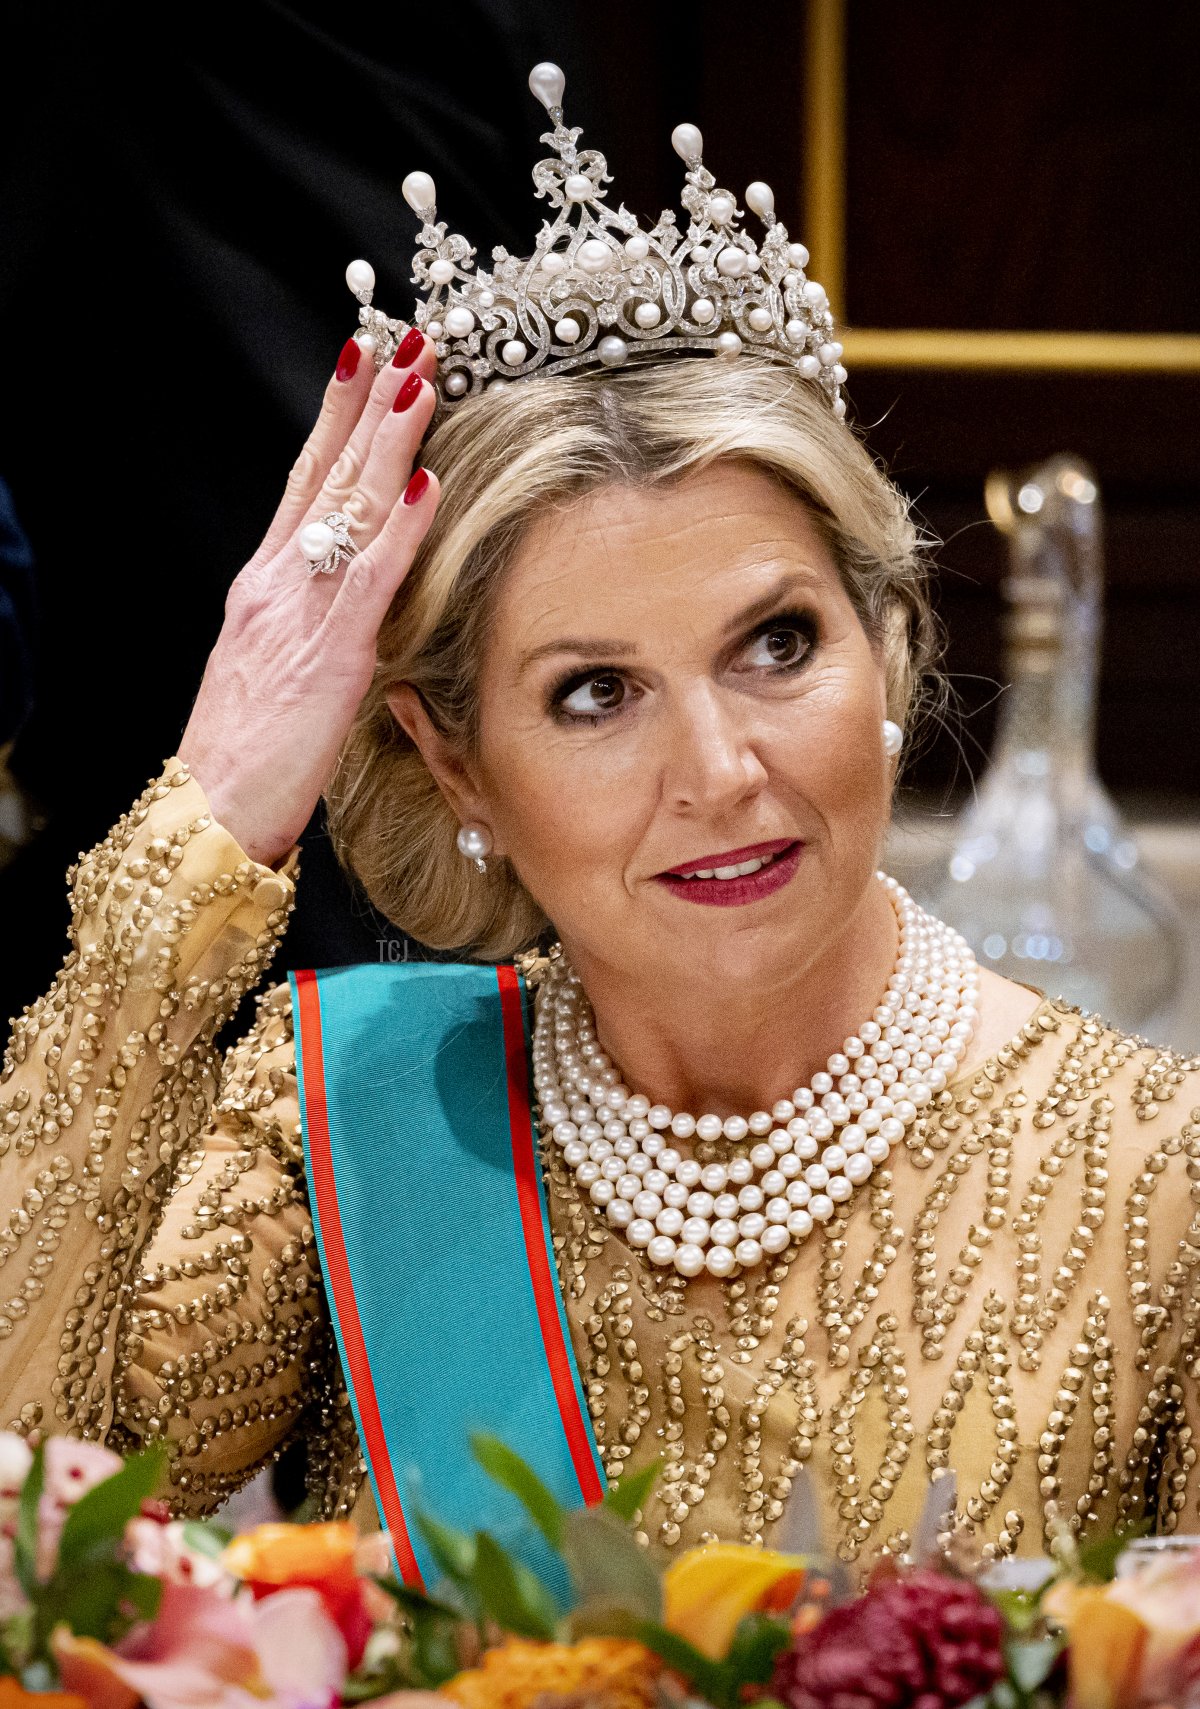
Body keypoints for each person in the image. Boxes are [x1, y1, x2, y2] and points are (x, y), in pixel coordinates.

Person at [2, 63, 1198, 1581]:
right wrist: (213, 818)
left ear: (885, 641)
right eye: (592, 694)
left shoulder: (1154, 1175)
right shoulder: (336, 1123)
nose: (719, 770)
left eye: (776, 644)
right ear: (458, 766)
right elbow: (27, 1519)